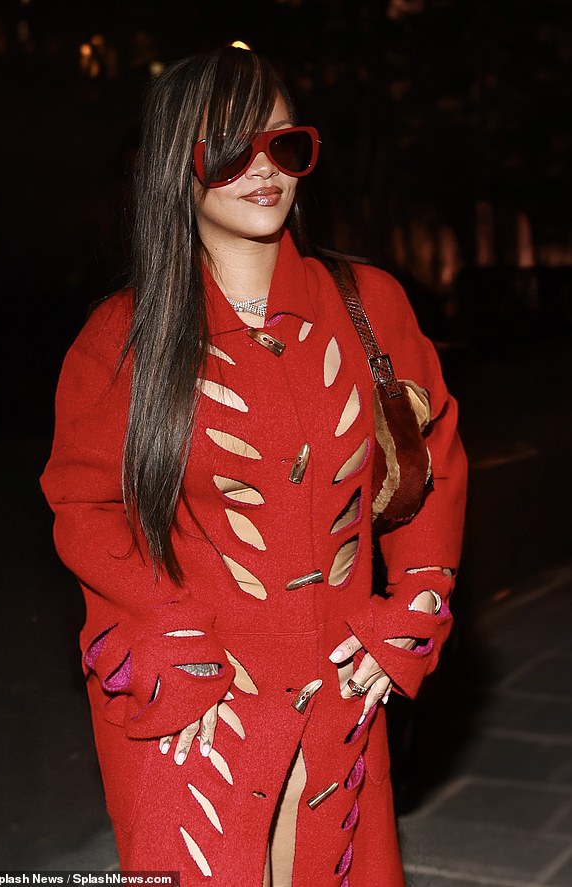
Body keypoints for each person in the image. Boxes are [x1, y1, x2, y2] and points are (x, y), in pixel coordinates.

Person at [41, 46, 467, 887]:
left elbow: (431, 462)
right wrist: (170, 642)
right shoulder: (121, 339)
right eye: (229, 150)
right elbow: (85, 508)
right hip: (193, 708)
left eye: (285, 145)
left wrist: (410, 609)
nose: (263, 170)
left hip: (340, 702)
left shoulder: (372, 305)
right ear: (178, 169)